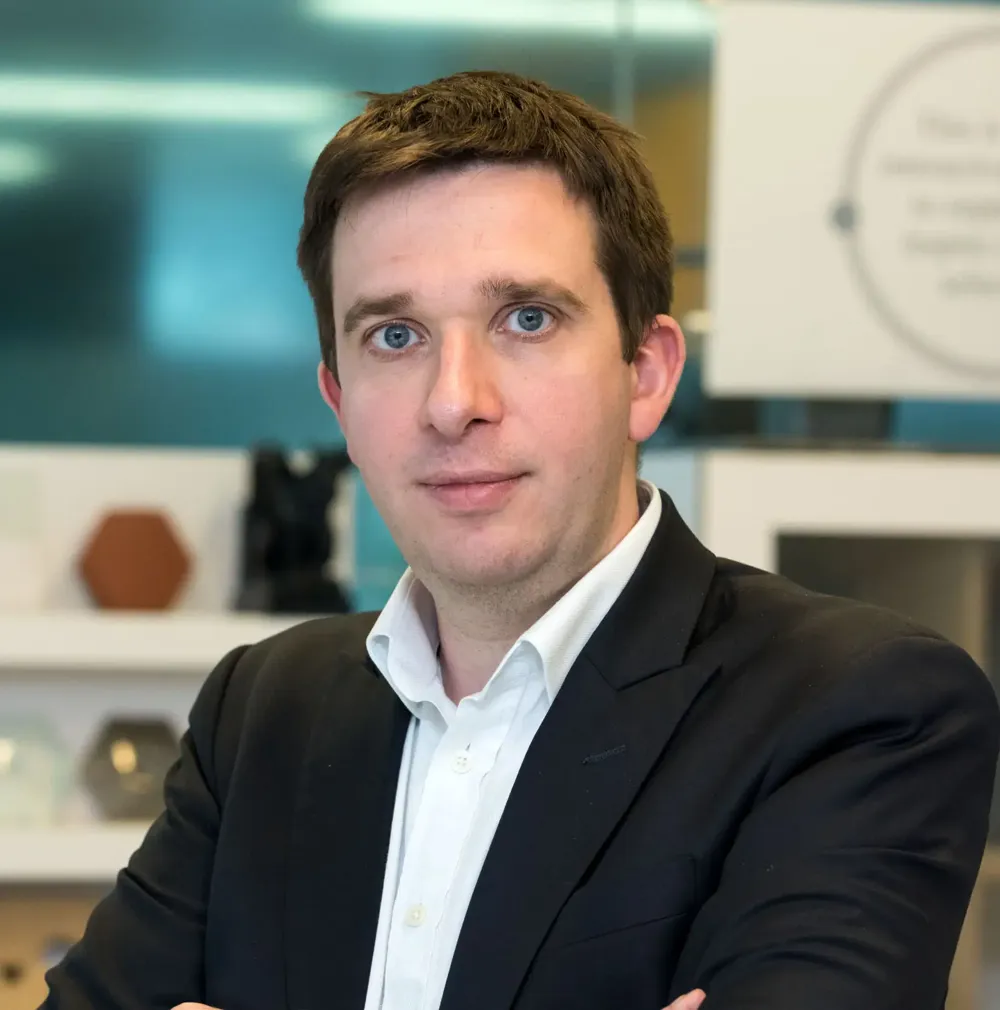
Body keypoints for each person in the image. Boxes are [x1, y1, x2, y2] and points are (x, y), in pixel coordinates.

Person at [43, 70, 999, 1010]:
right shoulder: (261, 712)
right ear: (338, 401)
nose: (454, 401)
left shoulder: (855, 708)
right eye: (394, 336)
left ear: (646, 372)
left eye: (526, 320)